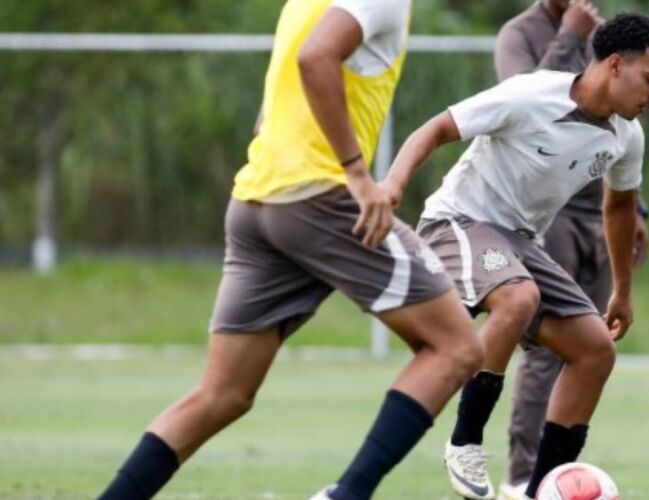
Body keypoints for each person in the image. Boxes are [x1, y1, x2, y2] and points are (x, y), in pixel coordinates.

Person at [97, 1, 484, 499]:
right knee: (456, 346)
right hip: (320, 201)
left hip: (257, 201)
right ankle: (348, 494)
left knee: (224, 394)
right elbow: (314, 58)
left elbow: (274, 105)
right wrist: (358, 176)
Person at [378, 13, 649, 500]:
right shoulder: (530, 94)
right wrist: (392, 184)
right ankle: (465, 440)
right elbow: (435, 129)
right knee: (519, 298)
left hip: (520, 242)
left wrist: (622, 290)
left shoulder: (627, 136)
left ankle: (541, 492)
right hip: (457, 221)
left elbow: (619, 208)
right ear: (616, 65)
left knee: (595, 350)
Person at [493, 2, 649, 498]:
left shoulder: (609, 39)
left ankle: (556, 477)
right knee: (545, 348)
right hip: (544, 212)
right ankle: (522, 477)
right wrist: (567, 37)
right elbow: (523, 106)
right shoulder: (520, 34)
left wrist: (634, 209)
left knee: (592, 343)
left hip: (598, 212)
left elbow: (617, 125)